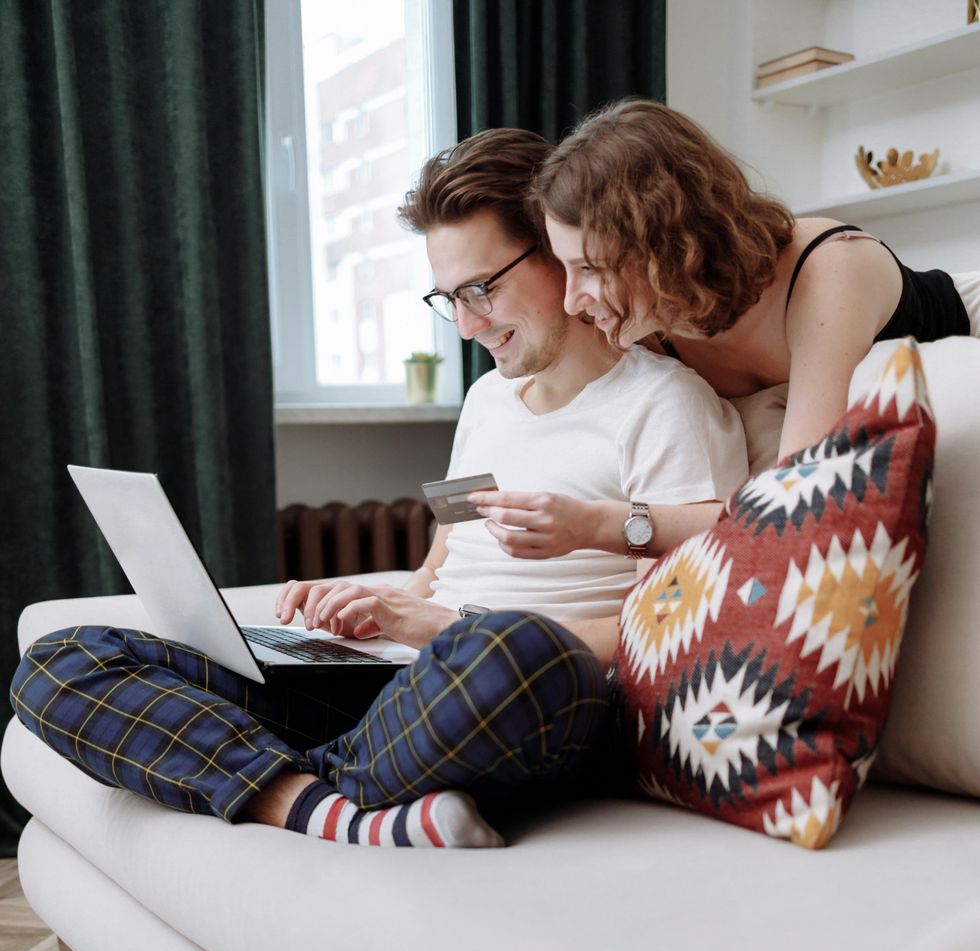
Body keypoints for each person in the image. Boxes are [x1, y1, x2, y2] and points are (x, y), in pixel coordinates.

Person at [11, 129, 746, 851]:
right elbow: (439, 564)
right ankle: (322, 807)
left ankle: (261, 769)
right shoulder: (488, 400)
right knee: (62, 659)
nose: (466, 324)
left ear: (559, 251)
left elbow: (664, 629)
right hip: (408, 685)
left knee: (513, 646)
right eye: (448, 298)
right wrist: (373, 613)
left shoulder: (663, 405)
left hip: (532, 695)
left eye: (482, 289)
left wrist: (439, 630)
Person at [531, 98, 980, 461]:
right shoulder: (646, 323)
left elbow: (802, 481)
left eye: (590, 268)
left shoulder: (829, 271)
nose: (572, 301)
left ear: (664, 244)